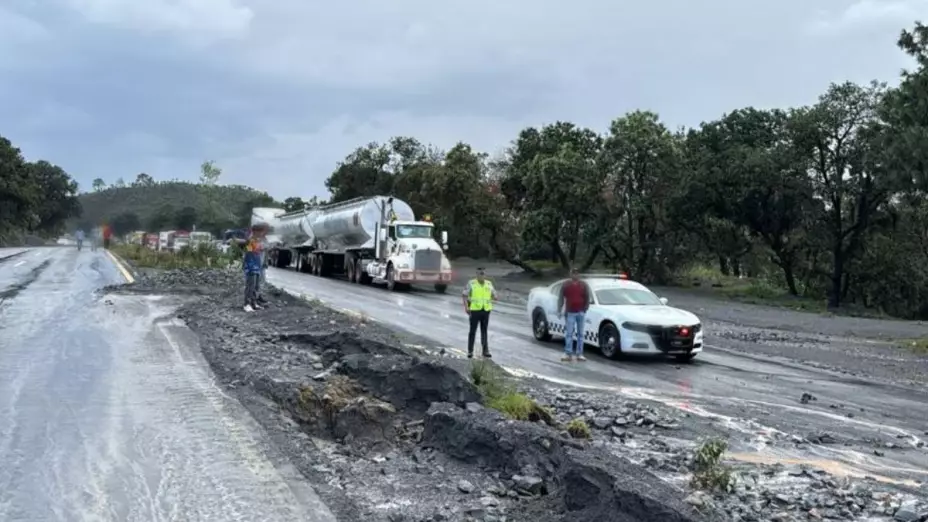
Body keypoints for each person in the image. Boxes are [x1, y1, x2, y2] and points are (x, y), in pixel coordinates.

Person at [557, 268, 593, 362]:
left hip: (580, 312)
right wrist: (559, 309)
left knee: (581, 334)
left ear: (579, 274)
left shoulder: (583, 285)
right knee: (569, 333)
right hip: (570, 312)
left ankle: (579, 353)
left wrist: (585, 308)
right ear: (570, 274)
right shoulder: (566, 285)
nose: (575, 275)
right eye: (573, 273)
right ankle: (568, 353)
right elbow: (561, 297)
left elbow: (587, 297)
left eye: (576, 273)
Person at [462, 267, 498, 358]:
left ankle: (485, 351)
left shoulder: (489, 284)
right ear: (476, 274)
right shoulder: (472, 283)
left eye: (483, 273)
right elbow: (464, 295)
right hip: (474, 310)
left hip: (486, 310)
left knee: (484, 331)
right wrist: (466, 307)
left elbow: (494, 295)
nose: (481, 275)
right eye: (479, 273)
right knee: (472, 331)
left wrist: (495, 296)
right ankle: (470, 351)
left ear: (485, 275)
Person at [238, 223, 268, 312]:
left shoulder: (257, 240)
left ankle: (253, 303)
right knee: (250, 286)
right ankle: (246, 304)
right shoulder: (251, 240)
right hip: (251, 266)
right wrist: (260, 246)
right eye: (261, 232)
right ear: (256, 231)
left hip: (257, 265)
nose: (262, 234)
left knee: (256, 286)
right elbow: (251, 251)